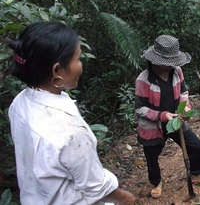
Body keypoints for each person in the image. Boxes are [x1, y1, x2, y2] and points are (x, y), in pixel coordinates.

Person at [7, 22, 136, 204]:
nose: (81, 65)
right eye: (78, 59)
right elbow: (96, 187)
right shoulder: (70, 132)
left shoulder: (20, 103)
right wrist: (126, 198)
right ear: (57, 70)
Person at [135, 35, 200, 199]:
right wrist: (162, 115)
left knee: (197, 147)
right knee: (152, 158)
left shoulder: (177, 72)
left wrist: (185, 107)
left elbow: (184, 92)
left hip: (176, 120)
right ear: (156, 60)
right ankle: (156, 182)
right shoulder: (143, 80)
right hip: (153, 126)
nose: (171, 65)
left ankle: (196, 174)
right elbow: (140, 108)